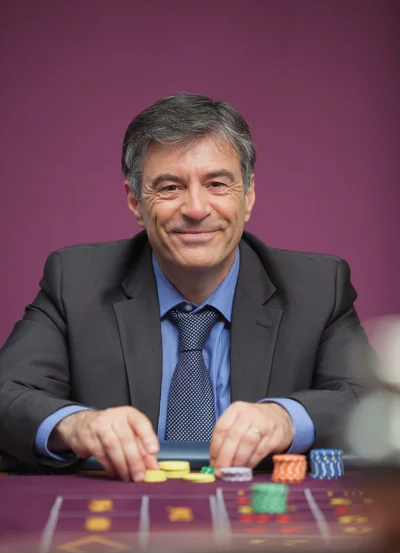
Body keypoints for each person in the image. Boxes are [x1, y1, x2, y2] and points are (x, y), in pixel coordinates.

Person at [0, 93, 370, 482]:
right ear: (134, 201)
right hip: (122, 529)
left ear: (248, 196)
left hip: (259, 531)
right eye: (170, 187)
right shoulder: (75, 282)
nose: (195, 209)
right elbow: (8, 394)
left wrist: (286, 418)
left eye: (216, 184)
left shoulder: (317, 289)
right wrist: (77, 426)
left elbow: (367, 402)